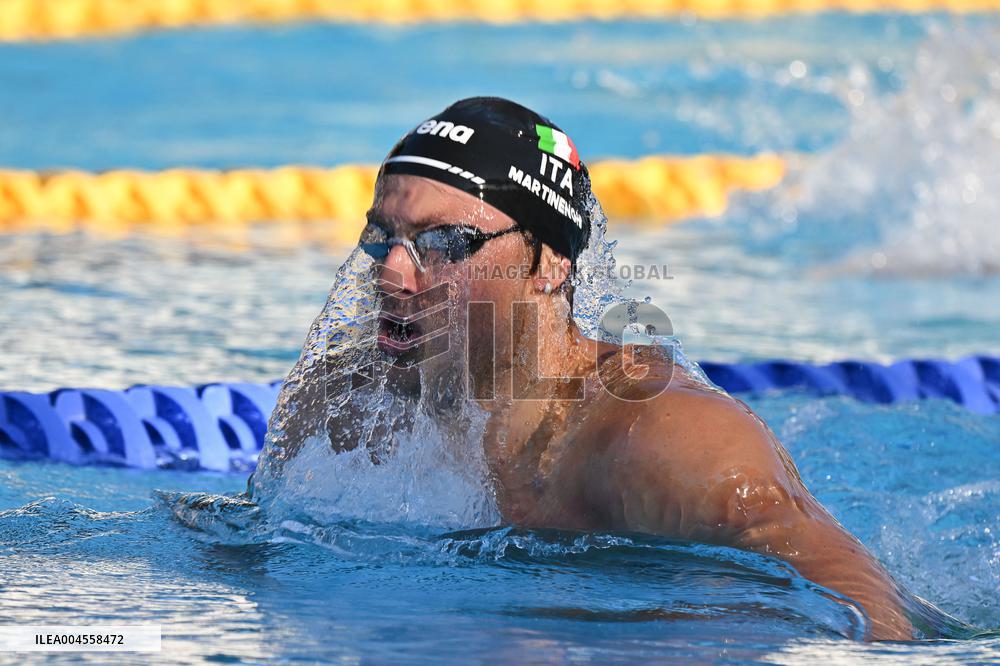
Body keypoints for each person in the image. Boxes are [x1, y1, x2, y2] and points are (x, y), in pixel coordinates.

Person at [275, 97, 914, 640]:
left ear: (551, 264)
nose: (392, 270)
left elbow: (870, 610)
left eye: (445, 244)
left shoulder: (658, 437)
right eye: (382, 235)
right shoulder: (341, 409)